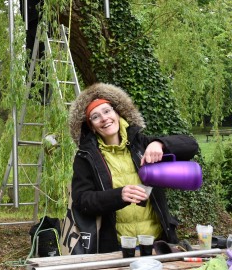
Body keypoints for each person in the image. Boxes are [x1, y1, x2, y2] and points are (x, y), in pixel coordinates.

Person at [68, 83, 199, 254]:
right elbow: (82, 201)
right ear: (91, 126)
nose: (104, 118)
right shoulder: (86, 157)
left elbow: (191, 146)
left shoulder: (141, 143)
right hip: (117, 249)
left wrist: (160, 144)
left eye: (107, 111)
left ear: (117, 113)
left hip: (157, 244)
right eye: (95, 116)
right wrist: (118, 195)